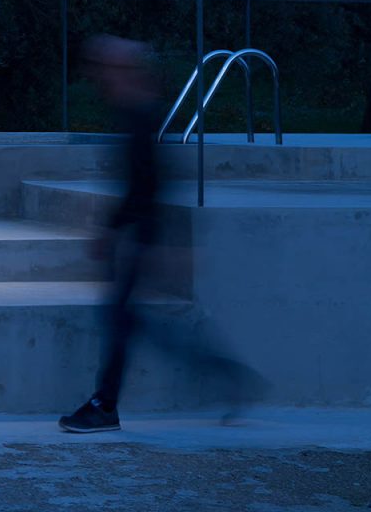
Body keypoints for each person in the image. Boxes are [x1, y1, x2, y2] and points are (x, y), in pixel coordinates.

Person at [58, 34, 258, 433]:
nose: (98, 74)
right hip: (140, 232)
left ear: (124, 71)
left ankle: (106, 405)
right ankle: (228, 377)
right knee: (130, 320)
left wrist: (120, 232)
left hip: (140, 235)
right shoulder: (133, 110)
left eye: (106, 66)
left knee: (122, 319)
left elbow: (146, 183)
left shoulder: (139, 113)